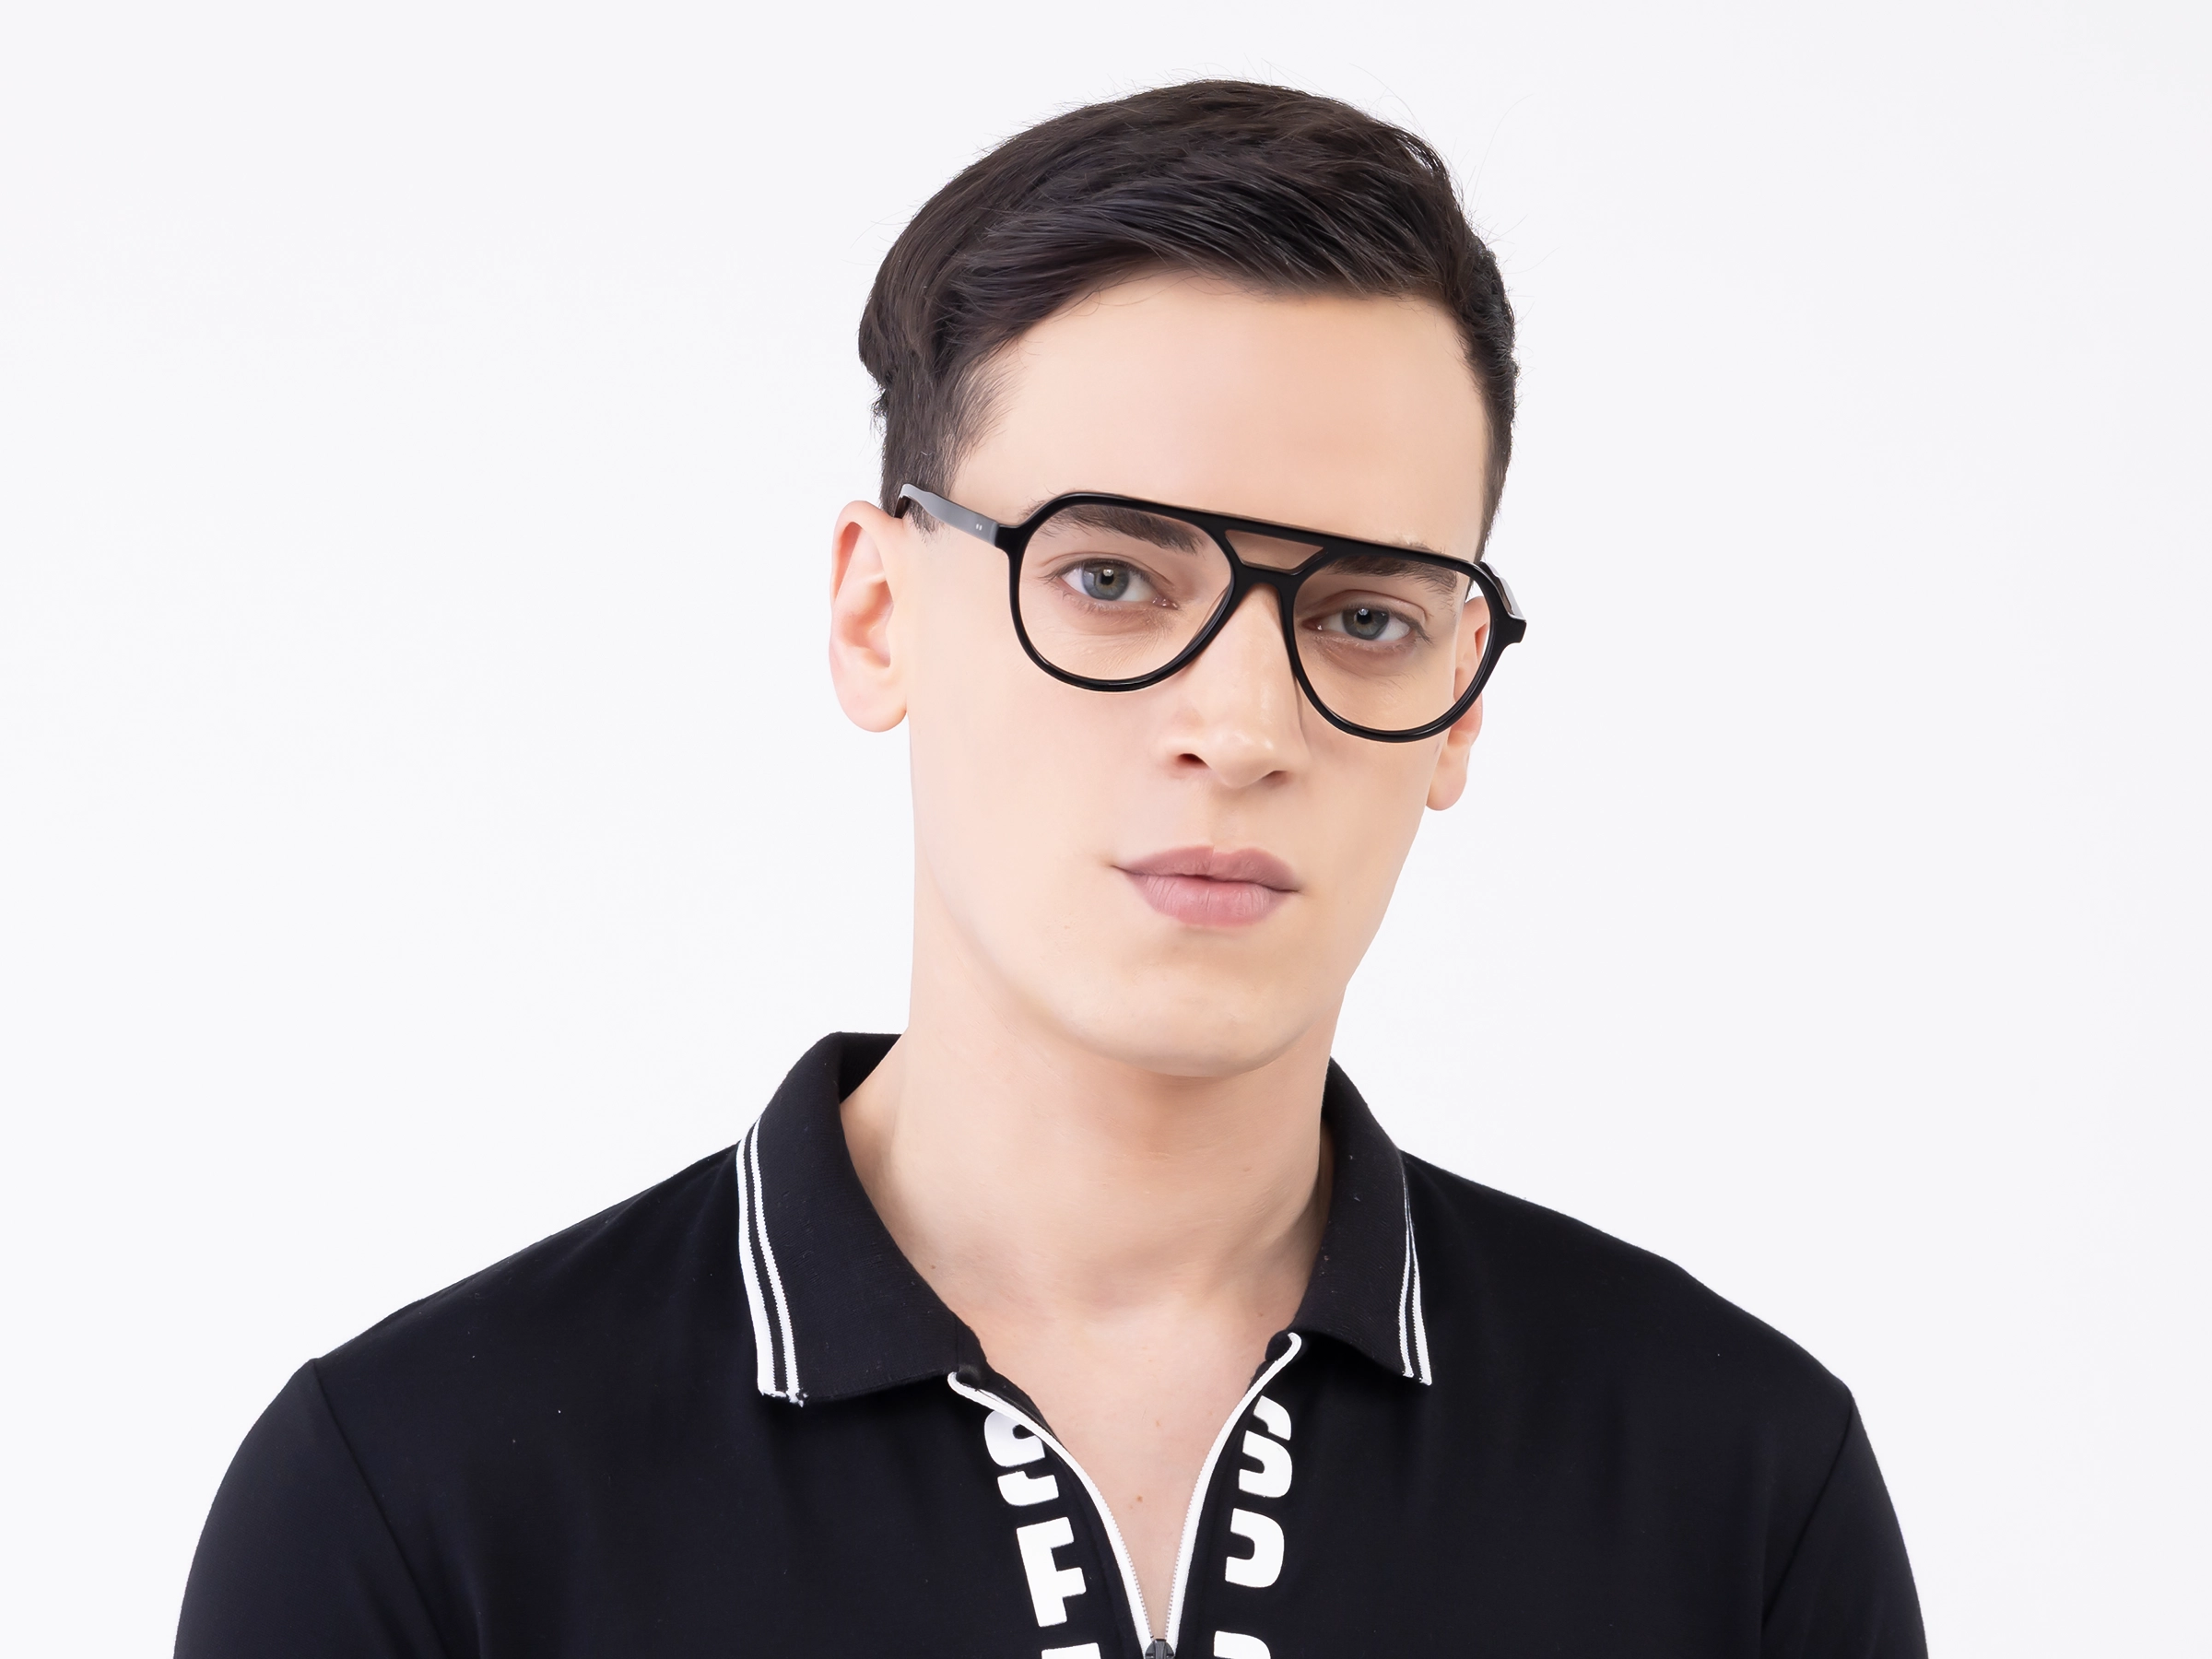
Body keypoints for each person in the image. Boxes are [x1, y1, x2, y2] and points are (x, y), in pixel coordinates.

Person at [176, 81, 1924, 1659]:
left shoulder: (1740, 1489)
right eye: (1111, 579)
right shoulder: (416, 1509)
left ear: (1461, 706)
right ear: (878, 614)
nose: (1242, 726)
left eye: (1366, 615)